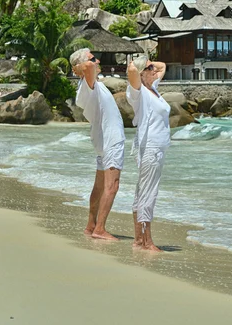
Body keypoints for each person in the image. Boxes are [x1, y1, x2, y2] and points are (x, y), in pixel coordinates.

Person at [69, 48, 125, 240]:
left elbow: (87, 67)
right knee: (113, 185)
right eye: (94, 59)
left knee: (100, 187)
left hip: (104, 141)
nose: (98, 61)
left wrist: (86, 62)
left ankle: (91, 225)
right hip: (111, 141)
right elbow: (86, 67)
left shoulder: (91, 84)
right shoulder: (87, 85)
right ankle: (100, 229)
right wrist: (83, 63)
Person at [126, 55, 170, 251]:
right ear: (143, 73)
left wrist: (149, 61)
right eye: (150, 68)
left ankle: (138, 239)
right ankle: (147, 241)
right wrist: (139, 62)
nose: (155, 70)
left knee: (142, 192)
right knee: (148, 193)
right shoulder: (138, 92)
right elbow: (132, 71)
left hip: (157, 148)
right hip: (150, 148)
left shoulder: (153, 89)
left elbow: (163, 65)